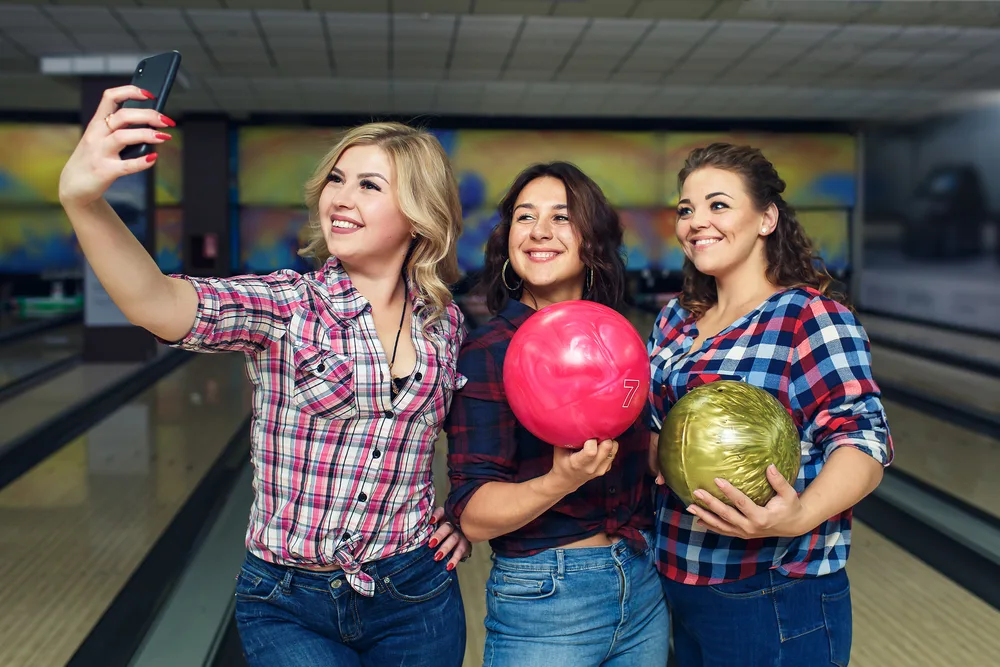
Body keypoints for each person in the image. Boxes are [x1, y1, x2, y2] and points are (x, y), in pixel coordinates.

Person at [58, 84, 473, 667]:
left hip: (415, 594)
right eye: (336, 179)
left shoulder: (444, 323)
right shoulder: (286, 306)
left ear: (419, 215)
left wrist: (462, 512)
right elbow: (160, 302)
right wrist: (84, 202)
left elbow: (472, 435)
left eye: (369, 185)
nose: (341, 197)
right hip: (286, 598)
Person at [647, 142, 893, 666]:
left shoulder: (808, 316)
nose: (696, 222)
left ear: (766, 219)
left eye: (718, 205)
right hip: (675, 576)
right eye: (686, 209)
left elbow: (863, 440)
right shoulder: (675, 321)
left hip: (776, 588)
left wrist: (799, 513)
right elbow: (656, 433)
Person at [444, 162, 669, 666]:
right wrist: (559, 479)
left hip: (641, 583)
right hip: (545, 597)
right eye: (525, 217)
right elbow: (473, 513)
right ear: (508, 242)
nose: (540, 231)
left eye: (561, 217)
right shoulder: (489, 353)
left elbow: (645, 461)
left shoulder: (620, 342)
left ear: (592, 241)